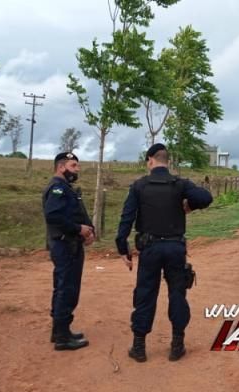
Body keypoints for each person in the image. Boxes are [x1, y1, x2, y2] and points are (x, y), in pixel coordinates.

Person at [116, 143, 213, 363]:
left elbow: (126, 219)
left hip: (149, 249)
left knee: (145, 294)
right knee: (177, 294)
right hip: (175, 248)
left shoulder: (139, 186)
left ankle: (139, 347)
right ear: (166, 161)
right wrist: (190, 205)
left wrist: (123, 248)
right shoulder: (180, 184)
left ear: (150, 160)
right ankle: (177, 345)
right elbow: (206, 198)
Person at [42, 152, 95, 351]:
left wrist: (88, 231)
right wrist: (78, 230)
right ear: (61, 167)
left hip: (70, 244)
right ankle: (63, 338)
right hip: (65, 245)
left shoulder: (66, 188)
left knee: (63, 287)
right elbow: (53, 216)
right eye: (74, 166)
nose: (77, 170)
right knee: (67, 289)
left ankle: (59, 331)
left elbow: (77, 213)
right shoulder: (57, 188)